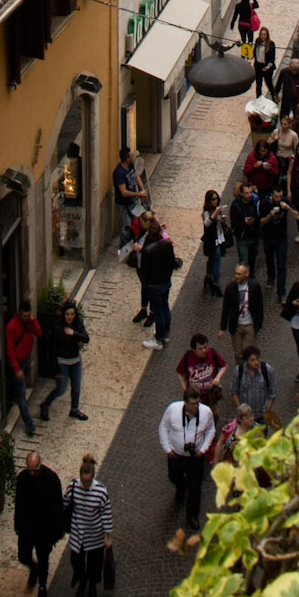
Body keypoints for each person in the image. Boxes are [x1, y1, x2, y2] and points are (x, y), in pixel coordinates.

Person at [161, 392, 216, 550]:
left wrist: (203, 449)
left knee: (195, 486)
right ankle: (180, 486)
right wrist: (167, 448)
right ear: (185, 402)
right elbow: (163, 428)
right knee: (173, 476)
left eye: (197, 403)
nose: (196, 406)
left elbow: (211, 430)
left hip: (195, 457)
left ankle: (192, 514)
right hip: (176, 455)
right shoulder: (172, 410)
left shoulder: (205, 412)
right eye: (193, 403)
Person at [13, 451, 63, 597]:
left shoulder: (51, 479)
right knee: (23, 555)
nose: (32, 473)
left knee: (44, 559)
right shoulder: (22, 479)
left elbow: (57, 506)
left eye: (35, 470)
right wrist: (18, 524)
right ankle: (32, 567)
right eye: (30, 470)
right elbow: (19, 504)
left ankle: (42, 586)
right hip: (28, 527)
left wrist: (57, 529)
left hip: (45, 529)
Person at [64, 454, 113, 597]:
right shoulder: (72, 487)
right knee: (76, 561)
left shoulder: (101, 492)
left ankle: (91, 583)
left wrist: (108, 537)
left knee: (94, 564)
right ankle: (82, 579)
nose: (85, 485)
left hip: (95, 535)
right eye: (83, 482)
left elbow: (106, 514)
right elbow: (65, 504)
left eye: (88, 482)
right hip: (78, 534)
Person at [38, 301, 89, 421]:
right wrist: (55, 369)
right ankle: (45, 404)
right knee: (61, 389)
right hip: (62, 363)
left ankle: (74, 409)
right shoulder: (57, 328)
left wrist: (74, 333)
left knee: (76, 386)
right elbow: (52, 350)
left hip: (75, 360)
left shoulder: (77, 324)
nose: (70, 317)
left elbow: (86, 338)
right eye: (67, 314)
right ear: (63, 315)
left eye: (72, 314)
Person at [0, 299, 41, 437]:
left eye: (27, 316)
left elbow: (39, 333)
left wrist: (33, 321)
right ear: (19, 313)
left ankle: (14, 396)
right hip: (17, 364)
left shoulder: (29, 322)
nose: (25, 318)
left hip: (26, 360)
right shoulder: (11, 327)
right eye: (23, 316)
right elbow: (10, 350)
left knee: (20, 392)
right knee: (22, 396)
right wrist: (16, 369)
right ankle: (29, 424)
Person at [139, 221, 177, 350]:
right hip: (166, 281)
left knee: (158, 311)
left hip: (154, 284)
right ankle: (166, 333)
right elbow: (172, 262)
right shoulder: (167, 244)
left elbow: (144, 270)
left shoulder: (148, 251)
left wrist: (146, 283)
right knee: (165, 307)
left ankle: (158, 339)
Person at [219, 261, 265, 362]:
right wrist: (222, 328)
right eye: (235, 273)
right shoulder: (230, 287)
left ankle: (248, 374)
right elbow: (226, 308)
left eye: (239, 274)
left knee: (249, 353)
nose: (236, 276)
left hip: (250, 325)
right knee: (238, 354)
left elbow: (260, 306)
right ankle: (240, 373)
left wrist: (258, 324)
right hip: (236, 325)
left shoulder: (254, 286)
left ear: (246, 274)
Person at [176, 332, 229, 408]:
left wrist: (218, 377)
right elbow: (180, 373)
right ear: (194, 350)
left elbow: (224, 365)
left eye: (205, 347)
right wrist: (185, 389)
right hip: (193, 398)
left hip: (210, 398)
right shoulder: (187, 357)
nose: (204, 350)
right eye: (200, 349)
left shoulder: (213, 353)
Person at [230, 344, 278, 426]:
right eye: (252, 360)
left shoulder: (267, 370)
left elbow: (273, 393)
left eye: (257, 359)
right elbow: (233, 391)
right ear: (246, 361)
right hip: (245, 416)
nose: (256, 362)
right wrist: (240, 408)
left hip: (262, 415)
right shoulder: (239, 371)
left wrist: (267, 410)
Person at [113, 146, 145, 248]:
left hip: (133, 201)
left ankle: (135, 242)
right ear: (127, 159)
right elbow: (124, 192)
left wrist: (142, 190)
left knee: (137, 222)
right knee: (125, 227)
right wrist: (139, 194)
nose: (133, 157)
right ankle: (124, 247)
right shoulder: (119, 173)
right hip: (123, 204)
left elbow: (136, 177)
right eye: (131, 156)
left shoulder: (130, 166)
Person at [201, 188, 230, 296]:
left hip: (219, 237)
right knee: (217, 260)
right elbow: (207, 224)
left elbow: (219, 222)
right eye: (213, 199)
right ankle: (216, 283)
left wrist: (222, 218)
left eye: (217, 199)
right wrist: (215, 214)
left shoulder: (218, 209)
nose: (215, 201)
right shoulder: (206, 212)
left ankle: (208, 276)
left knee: (213, 259)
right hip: (211, 240)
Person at [252, 26, 278, 101]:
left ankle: (274, 96)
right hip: (258, 66)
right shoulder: (257, 41)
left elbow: (272, 57)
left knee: (269, 83)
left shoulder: (271, 44)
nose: (263, 36)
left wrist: (268, 66)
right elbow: (255, 52)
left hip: (267, 67)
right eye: (261, 34)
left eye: (264, 34)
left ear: (267, 35)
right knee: (258, 84)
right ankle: (259, 100)